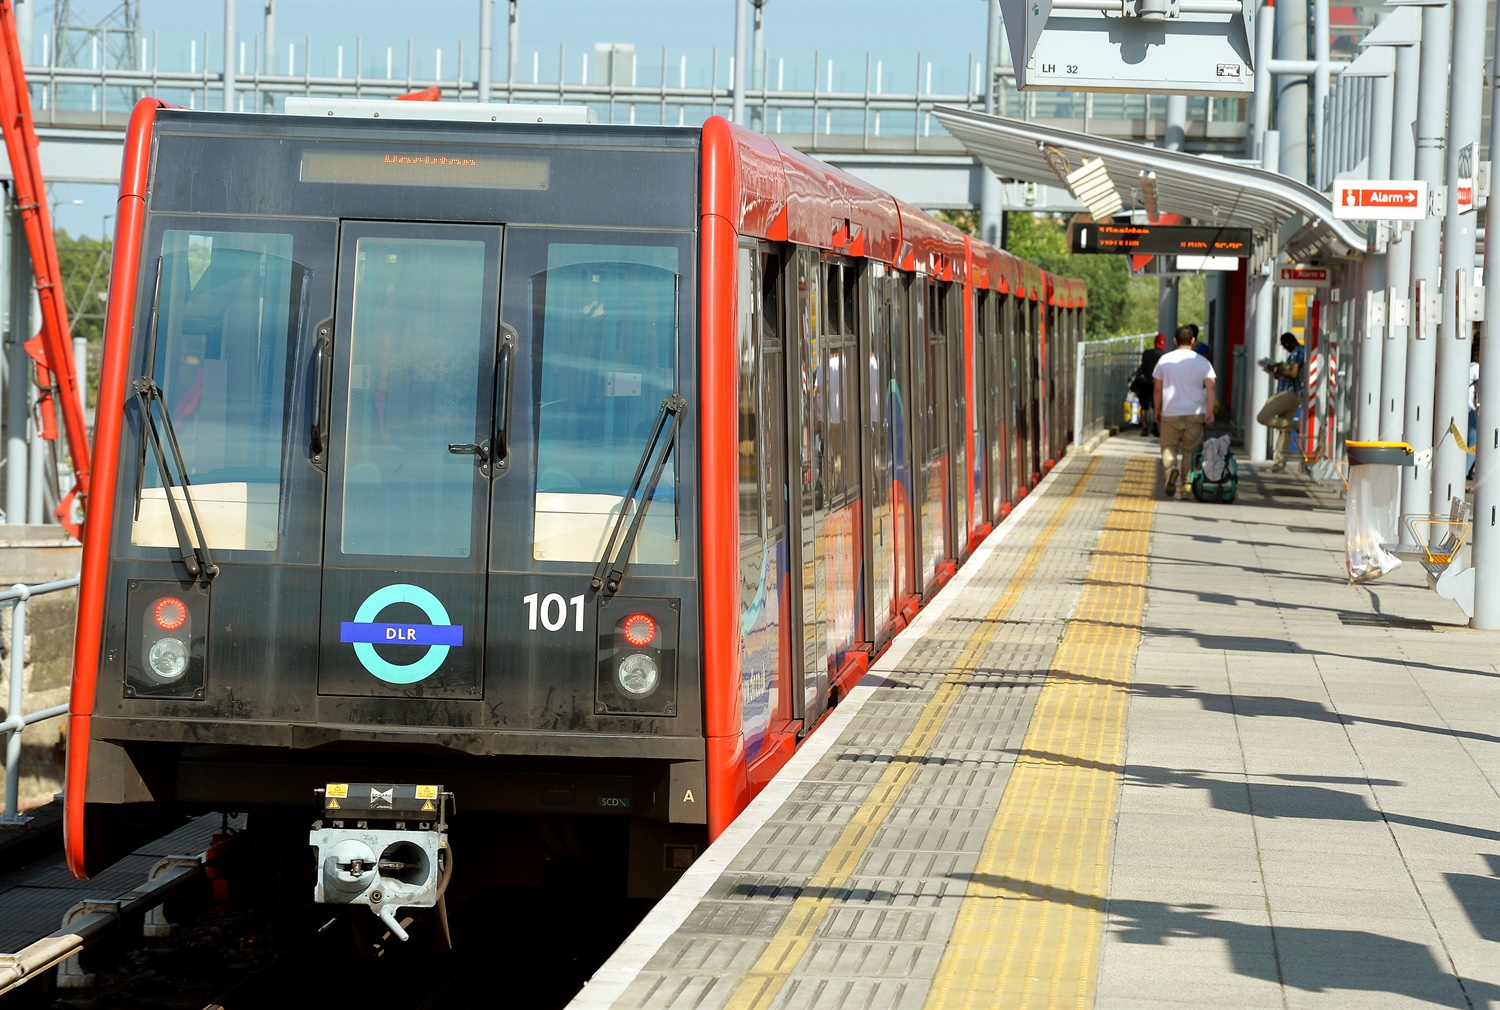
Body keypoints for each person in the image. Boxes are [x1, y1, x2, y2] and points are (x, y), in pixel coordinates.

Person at [1154, 325, 1217, 499]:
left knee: (1168, 447)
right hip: (1195, 412)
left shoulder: (1164, 361)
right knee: (1190, 450)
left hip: (1170, 411)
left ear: (1175, 340)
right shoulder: (1203, 362)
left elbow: (1157, 389)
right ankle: (1185, 486)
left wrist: (1157, 410)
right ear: (1193, 341)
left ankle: (1171, 469)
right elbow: (1211, 387)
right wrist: (1210, 412)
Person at [1256, 332, 1304, 472]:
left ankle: (1298, 425)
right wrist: (1276, 369)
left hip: (1289, 394)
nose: (1285, 349)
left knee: (1263, 417)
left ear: (1289, 342)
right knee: (1284, 427)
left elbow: (1293, 374)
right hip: (1292, 393)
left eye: (1284, 346)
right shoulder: (1295, 354)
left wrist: (1276, 369)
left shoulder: (1298, 352)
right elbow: (1289, 371)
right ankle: (1279, 463)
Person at [1131, 334, 1167, 437]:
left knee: (1144, 407)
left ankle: (1145, 428)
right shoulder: (1164, 356)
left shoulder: (1147, 353)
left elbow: (1142, 367)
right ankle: (1156, 427)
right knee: (1157, 406)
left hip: (1146, 383)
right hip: (1158, 384)